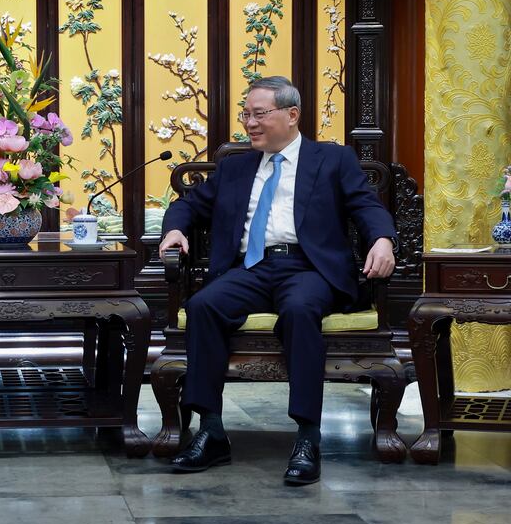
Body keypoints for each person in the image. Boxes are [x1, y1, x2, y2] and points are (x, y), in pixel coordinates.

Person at [157, 76, 396, 485]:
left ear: (291, 115)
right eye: (246, 114)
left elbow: (365, 205)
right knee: (203, 306)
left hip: (307, 268)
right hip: (250, 268)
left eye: (259, 114)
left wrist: (384, 240)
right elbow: (189, 204)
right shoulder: (235, 167)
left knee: (301, 309)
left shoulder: (332, 159)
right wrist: (174, 229)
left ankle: (307, 436)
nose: (250, 123)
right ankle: (211, 430)